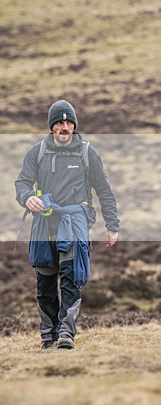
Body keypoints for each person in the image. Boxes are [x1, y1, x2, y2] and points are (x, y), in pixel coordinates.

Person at [14, 100, 119, 350]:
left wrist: (112, 225)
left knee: (71, 279)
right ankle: (48, 336)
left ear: (74, 125)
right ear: (52, 126)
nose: (64, 127)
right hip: (44, 225)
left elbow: (104, 191)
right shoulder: (37, 152)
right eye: (59, 123)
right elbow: (22, 183)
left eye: (68, 122)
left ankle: (65, 333)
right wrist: (28, 198)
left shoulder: (87, 153)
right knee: (45, 283)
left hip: (74, 223)